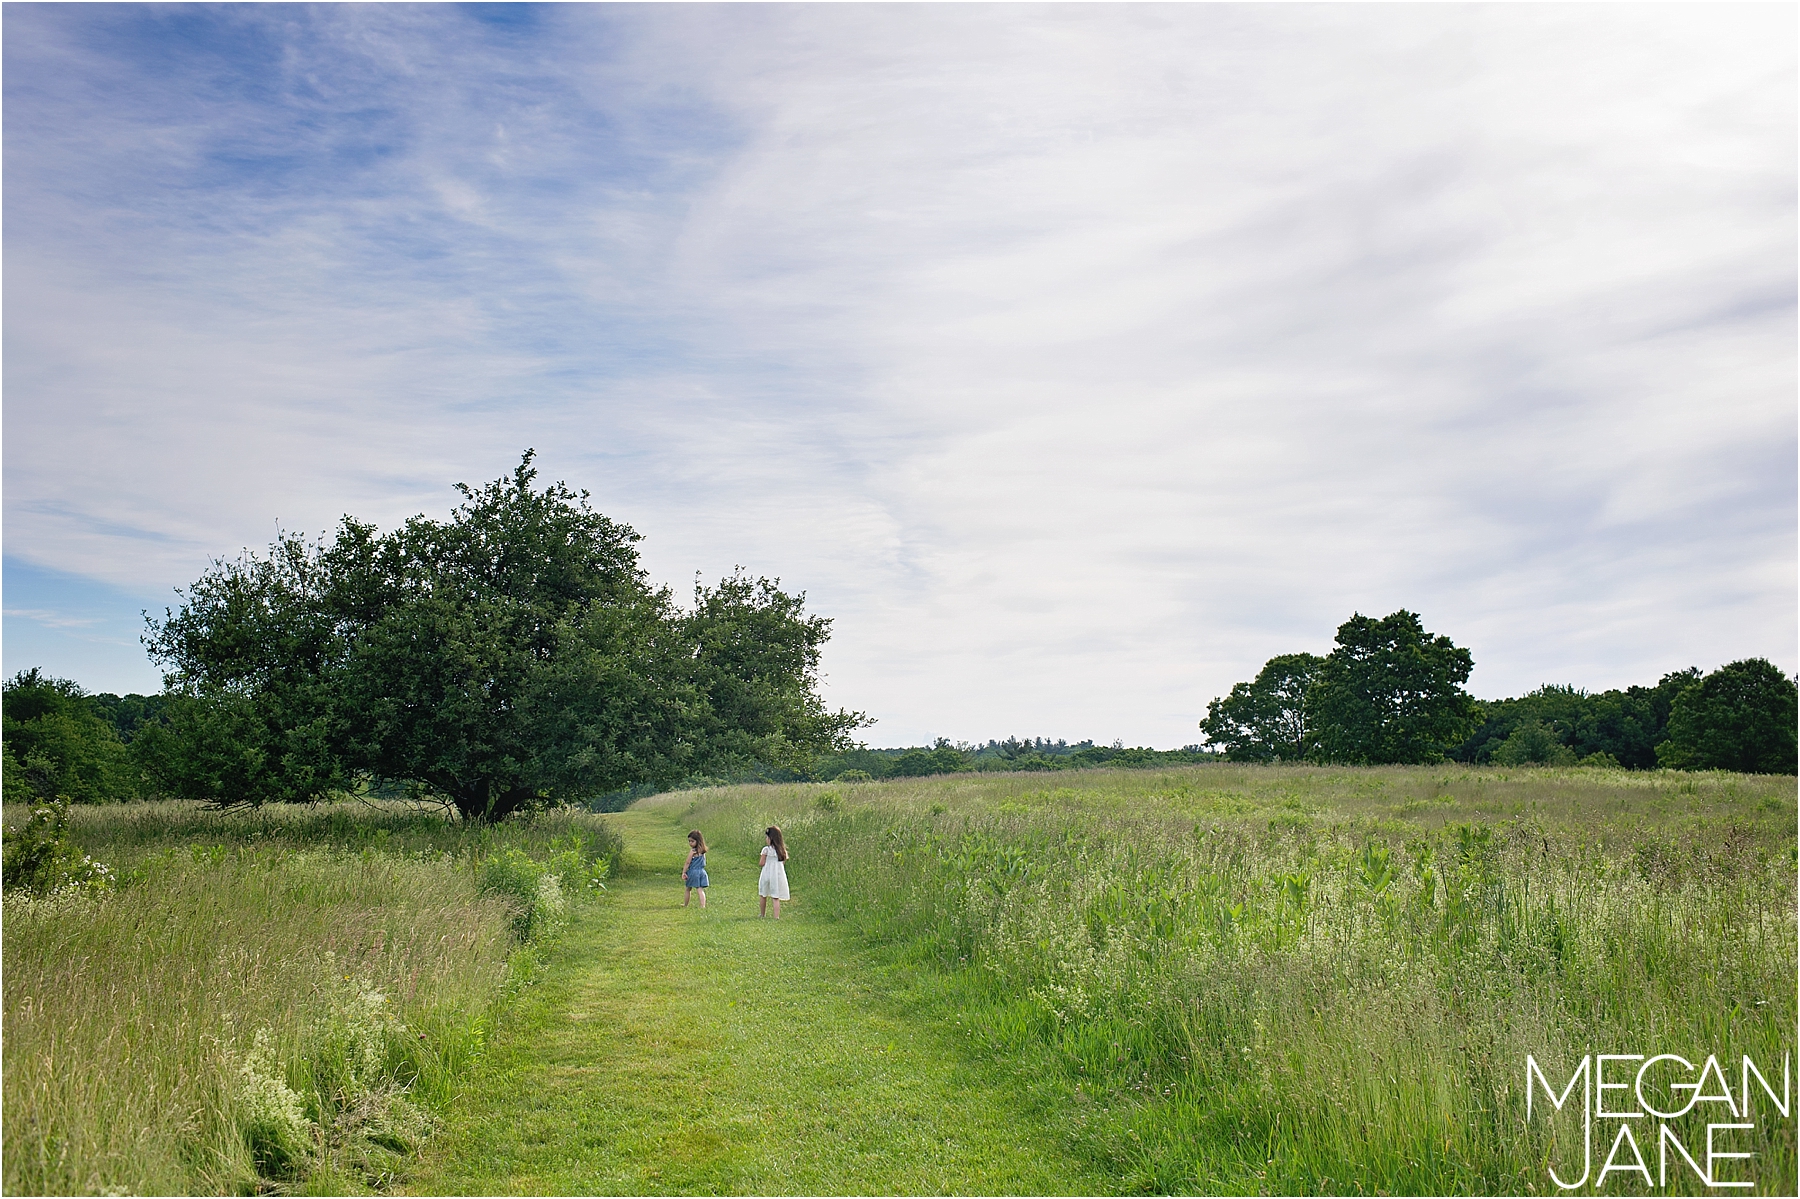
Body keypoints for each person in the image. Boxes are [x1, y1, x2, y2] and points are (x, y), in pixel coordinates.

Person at [758, 825, 789, 918]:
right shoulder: (782, 851)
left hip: (766, 874)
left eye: (767, 837)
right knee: (775, 896)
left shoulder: (766, 850)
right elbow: (782, 862)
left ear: (771, 838)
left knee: (763, 894)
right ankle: (776, 916)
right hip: (777, 875)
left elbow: (761, 863)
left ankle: (762, 914)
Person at [682, 830, 709, 908]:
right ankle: (702, 905)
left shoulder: (693, 851)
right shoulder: (703, 851)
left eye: (692, 841)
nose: (690, 843)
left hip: (693, 872)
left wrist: (684, 872)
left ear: (698, 841)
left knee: (688, 889)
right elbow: (704, 862)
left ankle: (685, 904)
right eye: (689, 841)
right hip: (702, 871)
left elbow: (687, 862)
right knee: (700, 889)